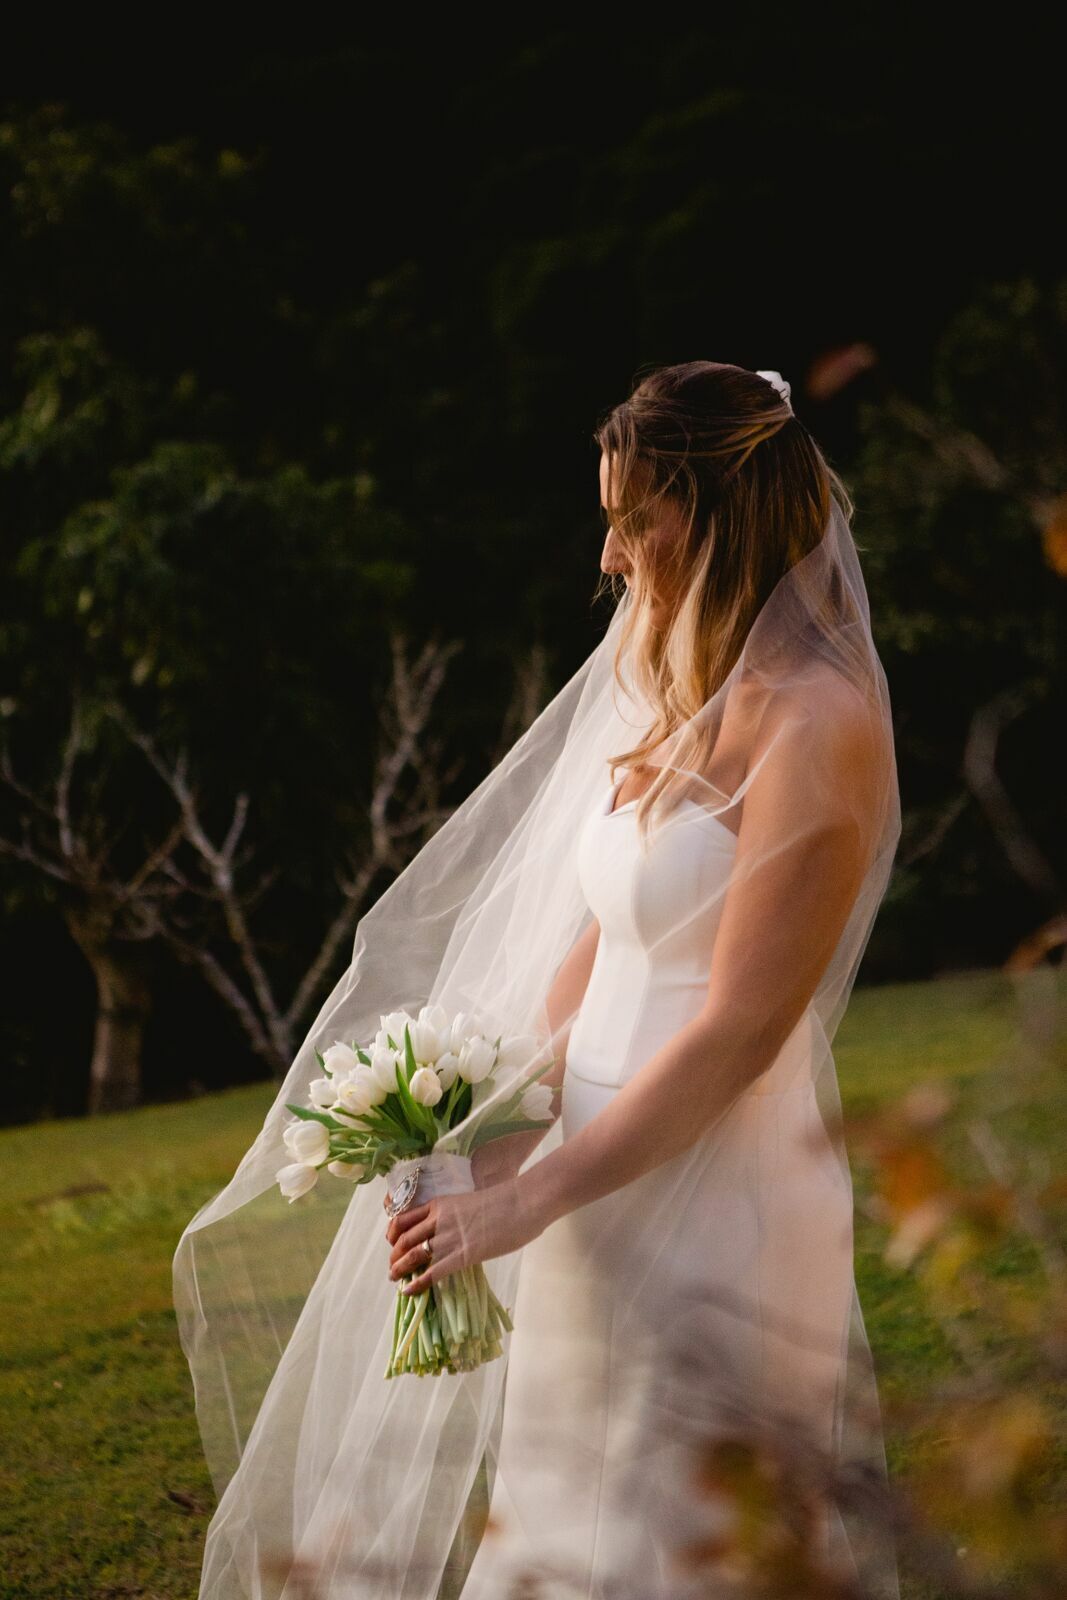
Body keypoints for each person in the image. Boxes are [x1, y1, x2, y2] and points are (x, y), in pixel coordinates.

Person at [174, 360, 901, 1600]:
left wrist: (530, 1198)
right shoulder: (675, 699)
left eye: (633, 519)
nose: (608, 556)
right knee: (567, 1510)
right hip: (592, 1167)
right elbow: (599, 948)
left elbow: (737, 1026)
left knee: (685, 1531)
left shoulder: (817, 720)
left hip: (717, 1185)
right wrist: (499, 1136)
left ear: (718, 515)